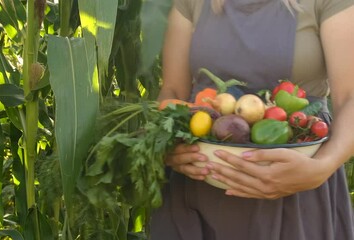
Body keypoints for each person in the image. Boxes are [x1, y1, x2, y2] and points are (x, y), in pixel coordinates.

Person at [150, 0, 354, 239]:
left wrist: (321, 168)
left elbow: (350, 97)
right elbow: (173, 92)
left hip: (296, 185)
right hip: (200, 183)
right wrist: (168, 145)